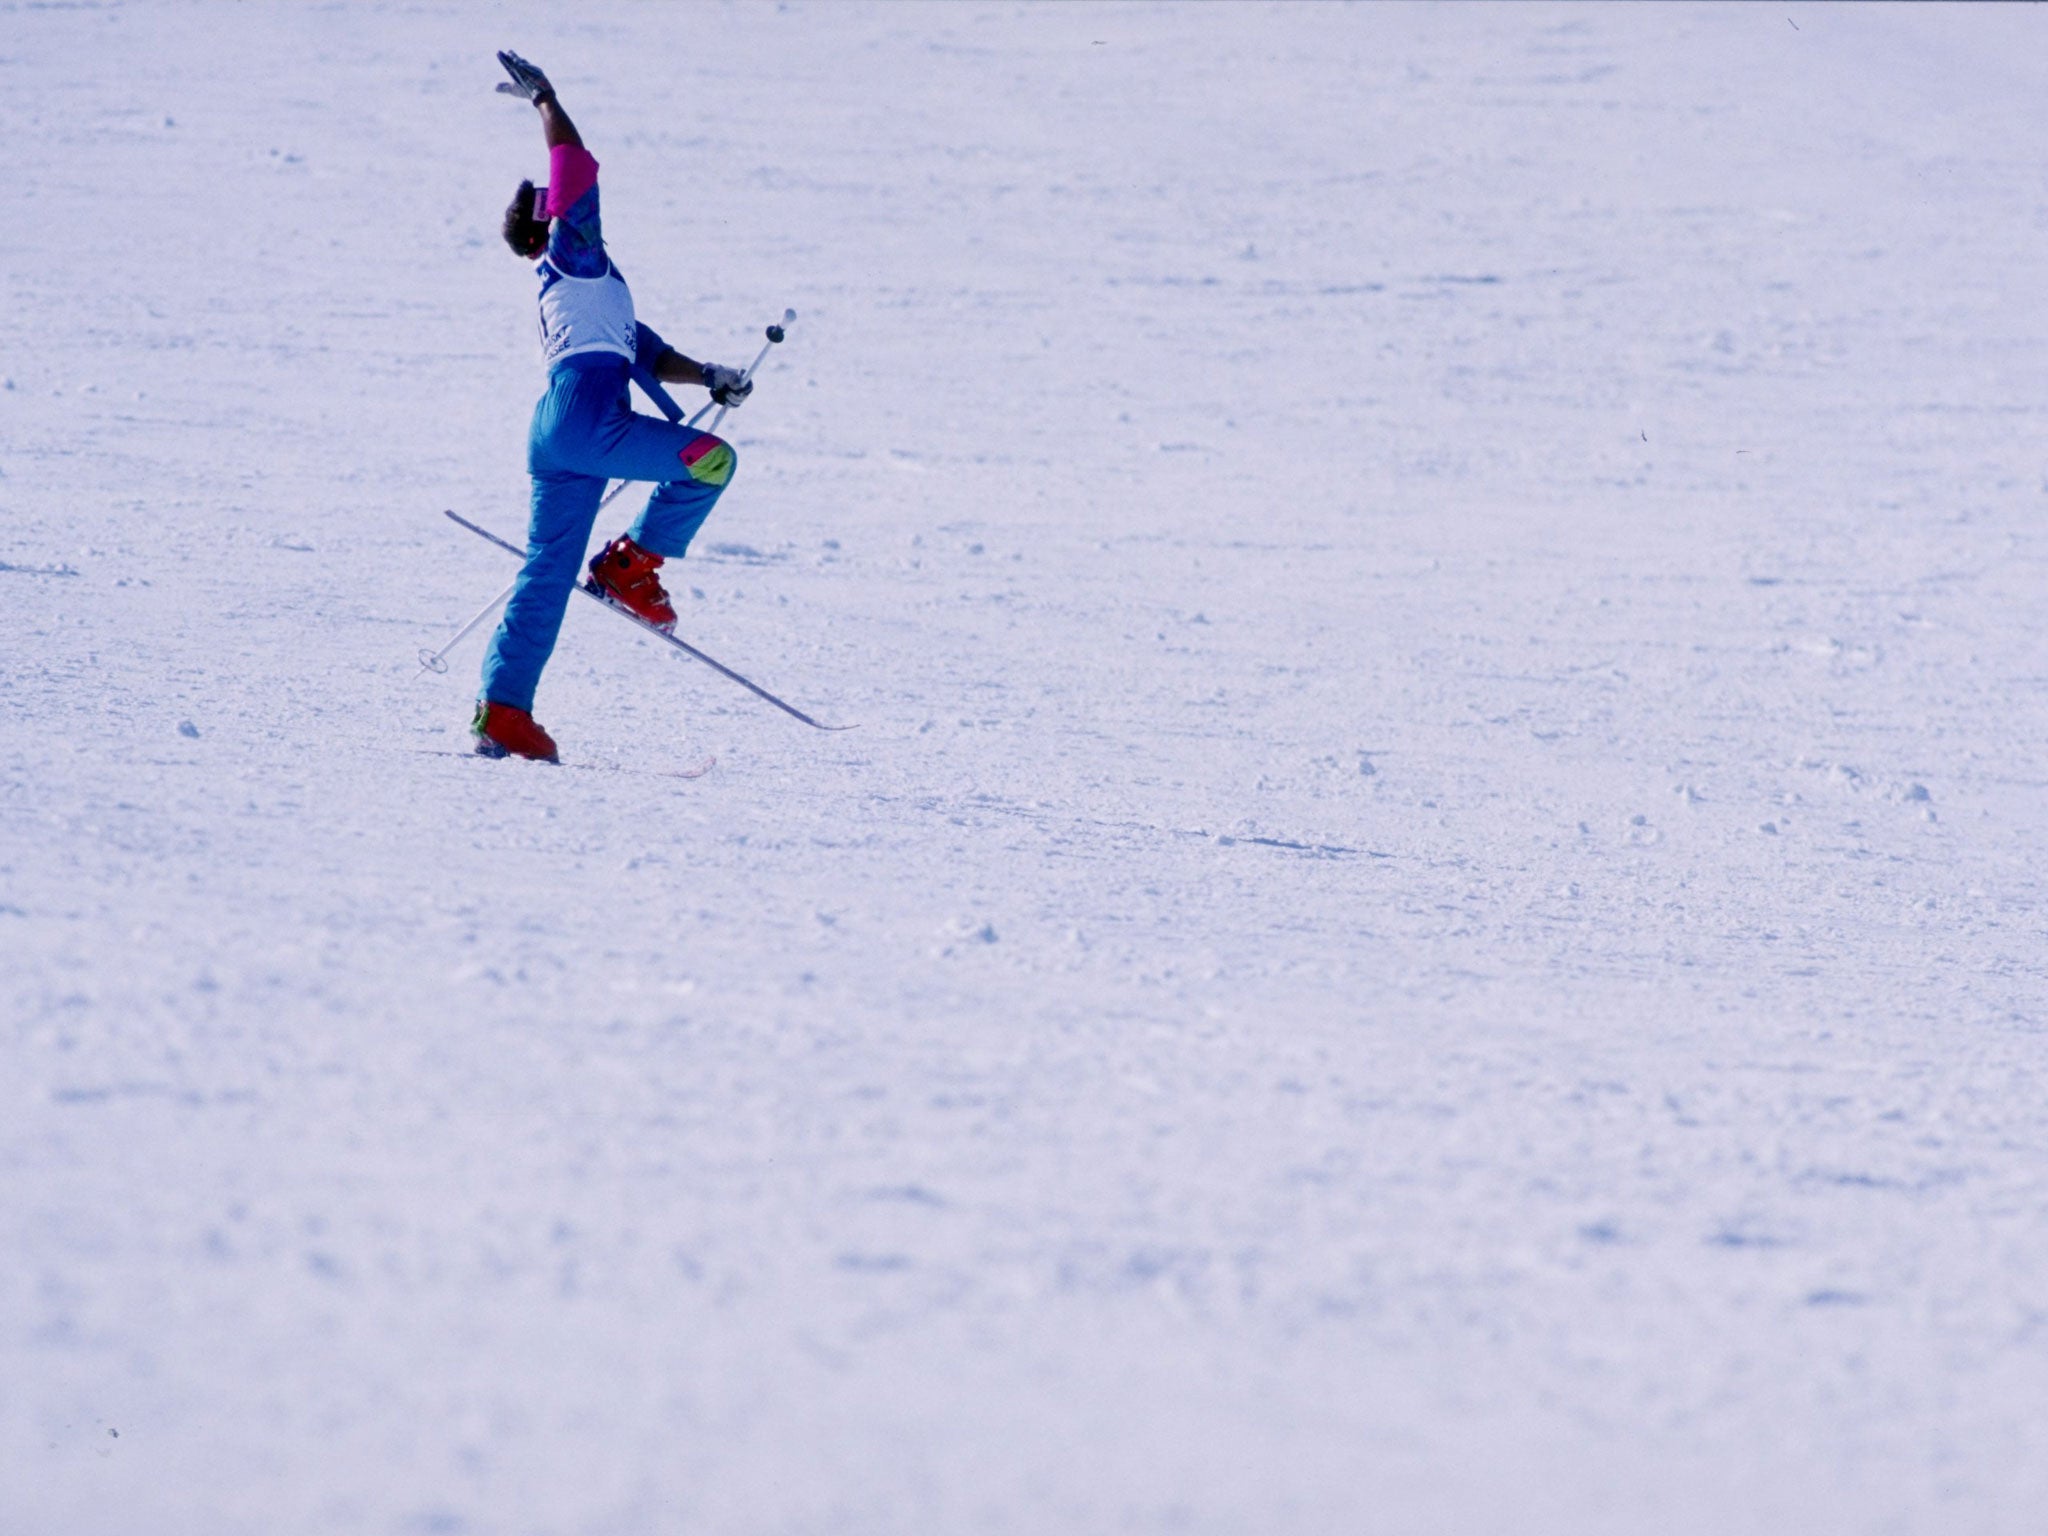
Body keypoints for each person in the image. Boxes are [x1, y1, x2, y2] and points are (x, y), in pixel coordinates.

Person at [473, 50, 755, 762]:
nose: (583, 215)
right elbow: (576, 165)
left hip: (557, 429)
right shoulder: (573, 255)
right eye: (566, 211)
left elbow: (645, 351)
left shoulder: (584, 282)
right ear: (552, 224)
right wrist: (547, 101)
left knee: (544, 572)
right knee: (712, 462)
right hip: (589, 418)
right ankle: (629, 566)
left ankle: (503, 711)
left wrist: (709, 375)